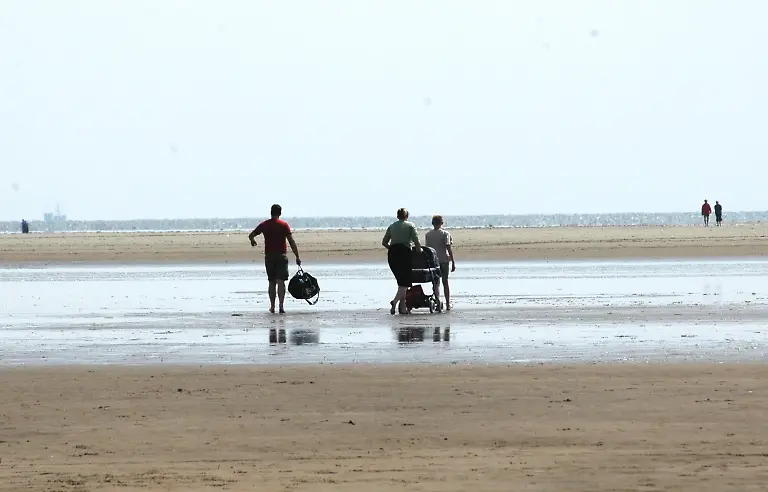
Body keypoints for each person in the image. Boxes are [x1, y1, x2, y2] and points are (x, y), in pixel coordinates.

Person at [248, 204, 301, 314]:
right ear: (280, 213)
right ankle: (281, 306)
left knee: (272, 282)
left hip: (269, 256)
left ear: (271, 212)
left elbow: (251, 235)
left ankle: (272, 306)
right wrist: (297, 256)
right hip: (281, 256)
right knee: (281, 282)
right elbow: (291, 241)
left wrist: (253, 241)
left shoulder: (264, 224)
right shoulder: (284, 225)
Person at [382, 207, 420, 315]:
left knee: (401, 281)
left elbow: (384, 242)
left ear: (397, 216)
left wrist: (392, 248)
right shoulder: (410, 226)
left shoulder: (392, 226)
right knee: (405, 282)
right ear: (407, 216)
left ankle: (402, 308)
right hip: (404, 253)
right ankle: (394, 302)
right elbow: (416, 240)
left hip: (393, 254)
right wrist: (419, 250)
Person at [425, 215, 456, 310]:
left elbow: (428, 249)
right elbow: (448, 247)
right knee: (445, 282)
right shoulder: (445, 234)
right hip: (443, 260)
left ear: (432, 223)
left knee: (436, 283)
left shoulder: (428, 235)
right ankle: (447, 304)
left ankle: (437, 301)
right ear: (442, 223)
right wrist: (453, 261)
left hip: (433, 262)